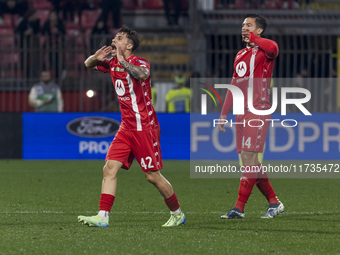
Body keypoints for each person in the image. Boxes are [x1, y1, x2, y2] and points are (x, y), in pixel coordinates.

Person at [78, 25, 186, 227]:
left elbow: (143, 75)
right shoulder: (111, 63)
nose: (114, 39)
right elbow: (88, 64)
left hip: (145, 127)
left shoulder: (140, 62)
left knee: (152, 176)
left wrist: (122, 61)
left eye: (119, 38)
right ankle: (103, 216)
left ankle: (177, 213)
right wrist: (96, 56)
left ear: (129, 45)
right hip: (126, 127)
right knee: (109, 168)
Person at [218, 14, 284, 219]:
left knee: (249, 156)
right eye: (242, 25)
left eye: (249, 25)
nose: (244, 28)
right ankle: (274, 202)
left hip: (258, 108)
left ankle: (239, 208)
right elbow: (234, 85)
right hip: (241, 110)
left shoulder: (266, 50)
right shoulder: (240, 55)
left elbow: (274, 49)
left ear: (259, 30)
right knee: (249, 159)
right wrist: (223, 113)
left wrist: (254, 39)